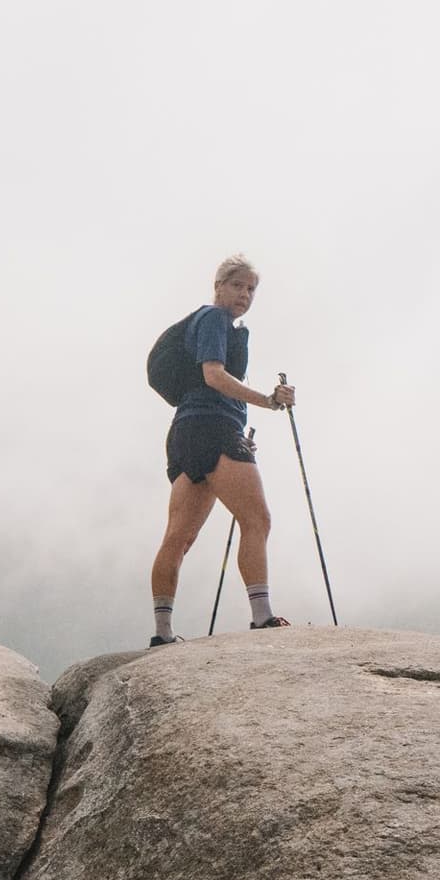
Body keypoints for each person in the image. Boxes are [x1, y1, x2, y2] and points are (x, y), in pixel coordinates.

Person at [145, 256, 295, 644]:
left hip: (186, 433)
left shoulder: (209, 322)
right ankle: (262, 617)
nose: (244, 295)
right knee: (257, 519)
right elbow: (213, 375)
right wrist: (268, 400)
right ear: (219, 285)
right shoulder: (214, 319)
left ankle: (162, 633)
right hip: (214, 428)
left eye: (251, 289)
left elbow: (207, 382)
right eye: (237, 286)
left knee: (178, 537)